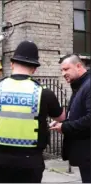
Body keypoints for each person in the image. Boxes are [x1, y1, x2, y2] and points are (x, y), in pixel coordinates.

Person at [0, 40, 66, 183]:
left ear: (12, 64)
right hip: (31, 163)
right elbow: (61, 117)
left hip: (0, 161)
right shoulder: (44, 93)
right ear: (34, 68)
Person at [50, 54, 90, 183]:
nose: (63, 73)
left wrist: (65, 127)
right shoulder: (80, 86)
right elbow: (79, 115)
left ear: (78, 66)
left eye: (66, 69)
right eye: (61, 70)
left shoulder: (88, 86)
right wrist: (63, 122)